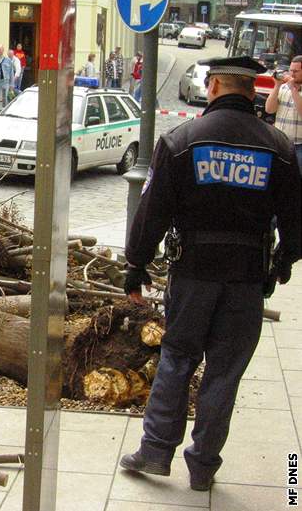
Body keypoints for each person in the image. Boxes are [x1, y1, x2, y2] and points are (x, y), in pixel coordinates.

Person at [119, 56, 302, 492]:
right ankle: (203, 467)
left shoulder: (182, 140)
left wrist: (135, 265)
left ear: (216, 86)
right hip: (245, 280)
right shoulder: (278, 147)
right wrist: (283, 262)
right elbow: (296, 221)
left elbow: (152, 212)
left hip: (193, 274)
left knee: (178, 359)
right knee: (225, 371)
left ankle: (156, 452)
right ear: (248, 89)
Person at [265, 55, 302, 171]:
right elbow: (269, 109)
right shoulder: (283, 88)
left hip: (299, 146)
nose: (292, 74)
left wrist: (294, 90)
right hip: (280, 143)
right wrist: (277, 85)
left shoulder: (291, 88)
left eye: (296, 71)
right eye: (290, 70)